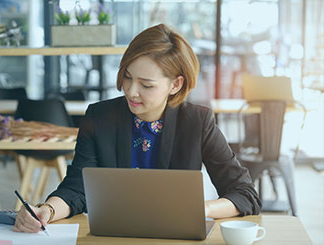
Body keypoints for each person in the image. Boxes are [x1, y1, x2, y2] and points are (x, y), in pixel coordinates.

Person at [13, 24, 261, 233]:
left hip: (173, 237)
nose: (131, 91)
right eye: (128, 77)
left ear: (175, 85)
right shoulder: (99, 117)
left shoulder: (197, 122)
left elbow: (245, 194)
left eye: (146, 85)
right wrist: (48, 209)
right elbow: (77, 189)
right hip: (114, 236)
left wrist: (200, 209)